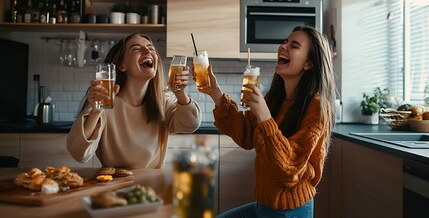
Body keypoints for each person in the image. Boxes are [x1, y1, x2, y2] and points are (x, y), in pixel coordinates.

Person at [196, 26, 336, 217]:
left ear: (309, 63)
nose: (283, 47)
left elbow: (289, 170)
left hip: (291, 211)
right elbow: (246, 134)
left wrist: (264, 116)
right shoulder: (275, 98)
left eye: (293, 45)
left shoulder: (318, 108)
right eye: (284, 42)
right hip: (264, 206)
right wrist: (216, 93)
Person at [67, 33, 202, 169]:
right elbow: (79, 153)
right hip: (114, 185)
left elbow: (191, 124)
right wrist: (96, 112)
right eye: (136, 48)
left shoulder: (164, 100)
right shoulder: (104, 101)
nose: (147, 51)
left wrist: (180, 94)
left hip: (152, 187)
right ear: (122, 65)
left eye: (151, 48)